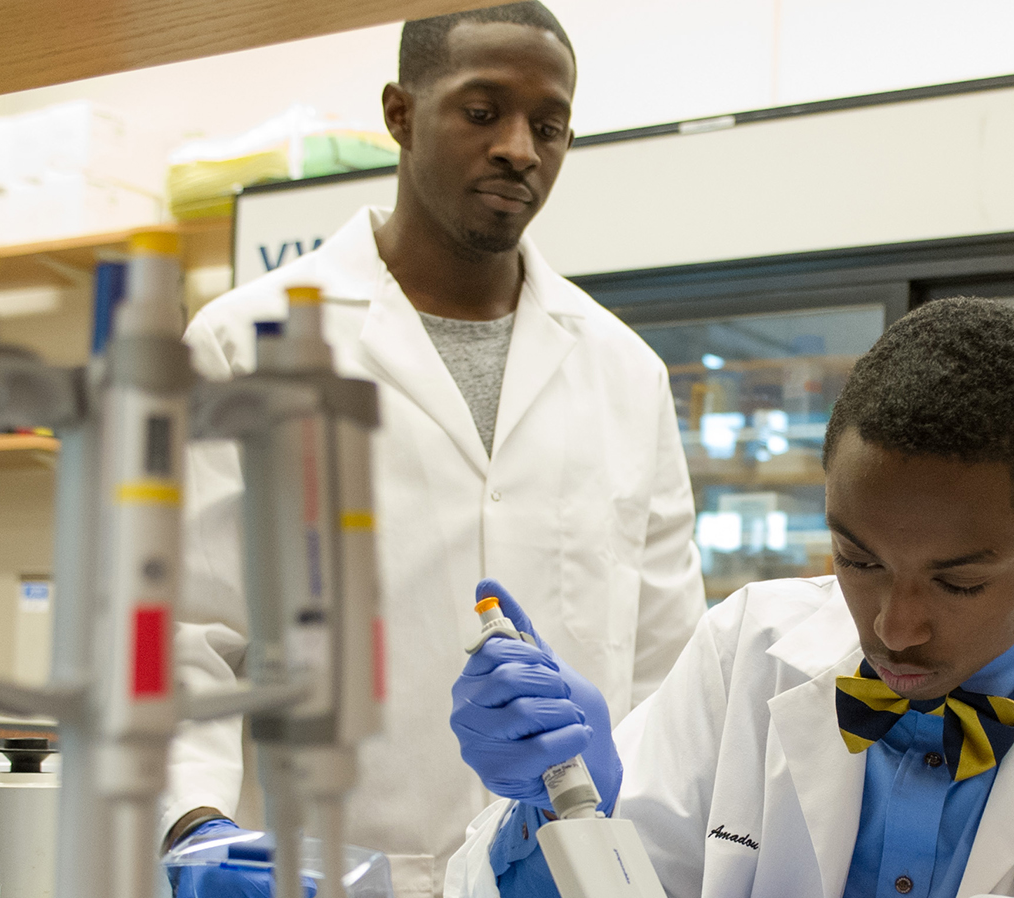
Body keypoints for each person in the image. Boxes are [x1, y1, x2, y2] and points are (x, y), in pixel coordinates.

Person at [442, 298, 1014, 898]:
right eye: (859, 560)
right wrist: (560, 810)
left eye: (958, 581)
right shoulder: (750, 647)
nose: (895, 626)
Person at [165, 3, 706, 893]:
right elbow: (181, 632)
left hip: (561, 873)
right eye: (483, 110)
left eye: (550, 124)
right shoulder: (245, 343)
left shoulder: (624, 372)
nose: (520, 150)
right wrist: (198, 828)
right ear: (401, 113)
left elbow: (665, 666)